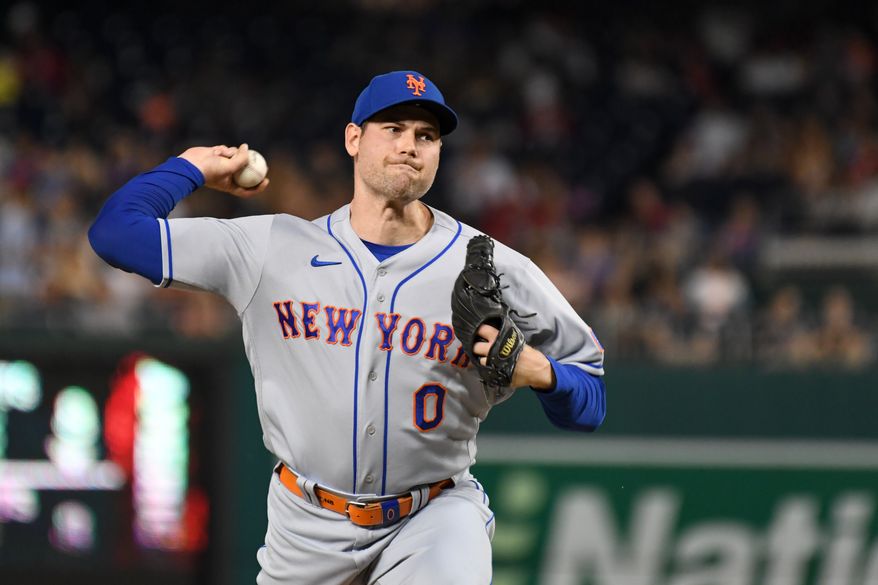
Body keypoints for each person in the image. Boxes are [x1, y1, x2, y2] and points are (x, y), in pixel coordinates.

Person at [89, 70, 606, 585]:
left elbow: (591, 401)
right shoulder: (272, 248)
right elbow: (115, 233)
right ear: (353, 139)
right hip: (304, 524)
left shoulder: (492, 266)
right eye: (394, 129)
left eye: (426, 136)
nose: (411, 146)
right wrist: (192, 166)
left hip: (432, 518)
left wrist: (543, 372)